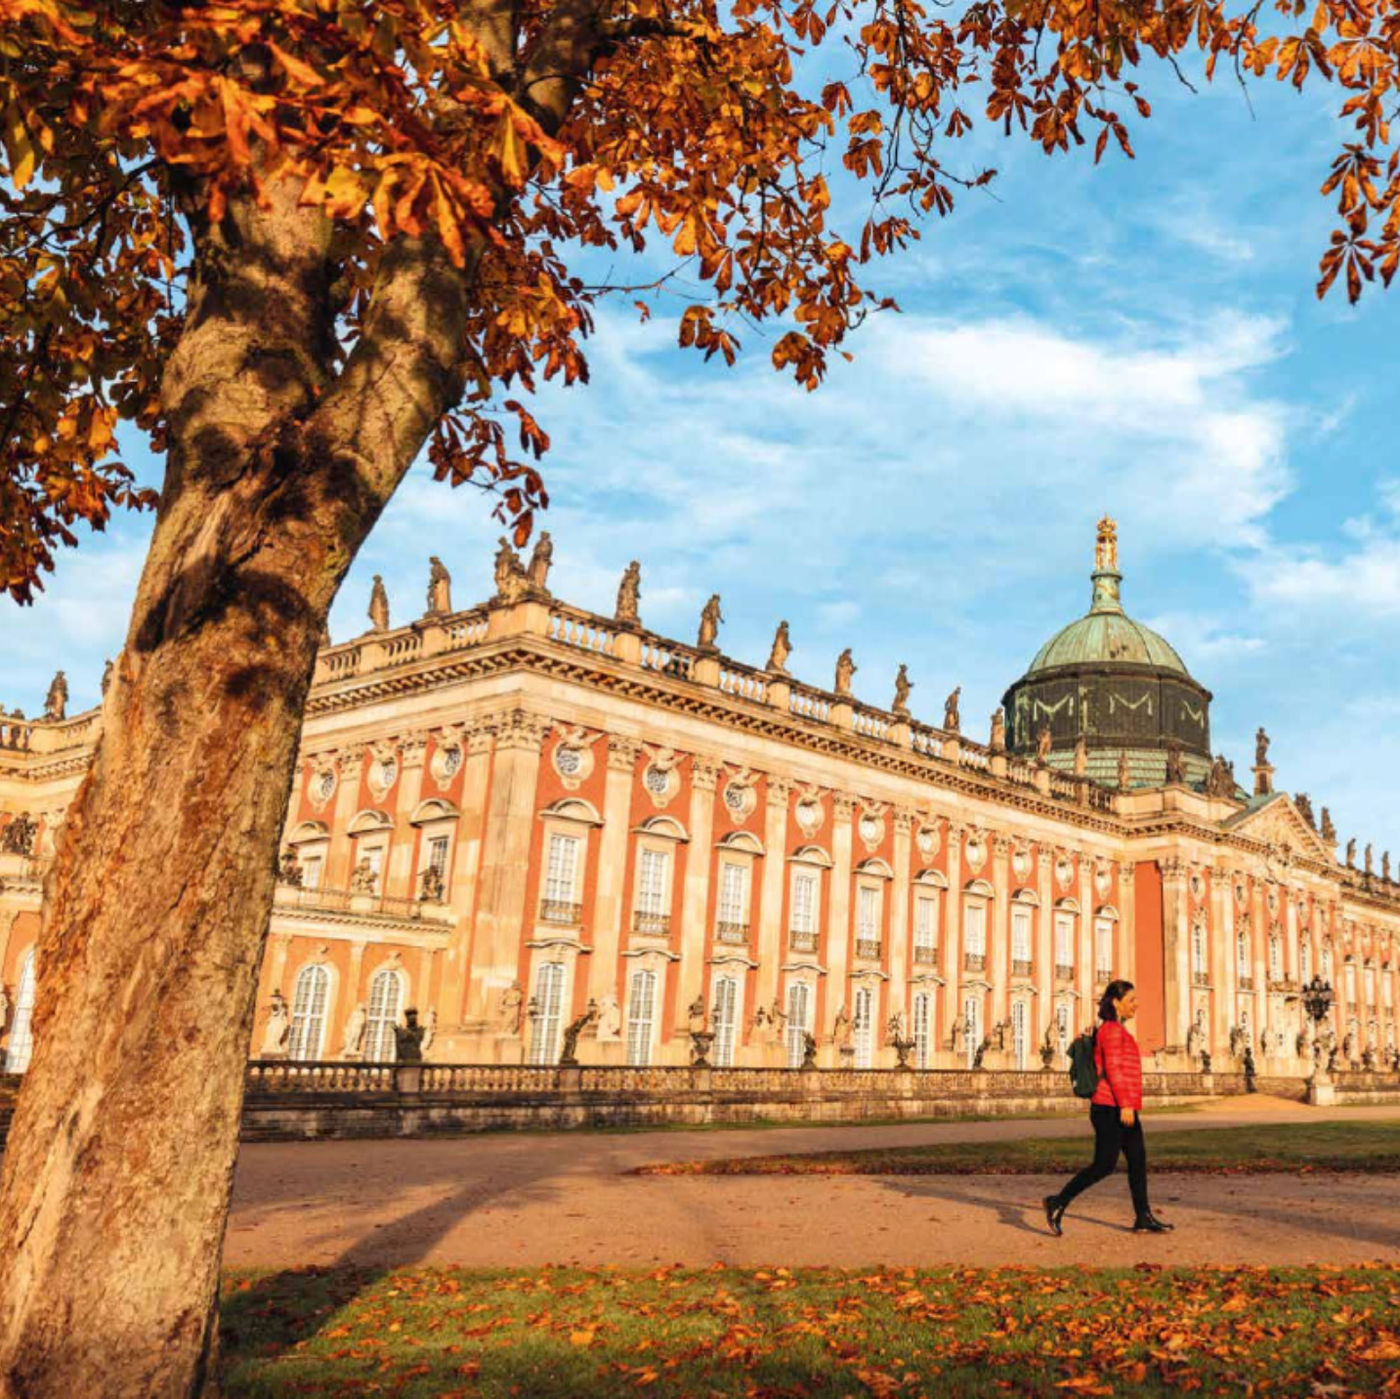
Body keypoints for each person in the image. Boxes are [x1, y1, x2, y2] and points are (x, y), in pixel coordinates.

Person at [1043, 979, 1174, 1236]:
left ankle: (1143, 1216)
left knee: (1137, 1160)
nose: (1136, 1005)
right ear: (1116, 1002)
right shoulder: (1112, 1031)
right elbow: (1114, 1070)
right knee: (1104, 1164)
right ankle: (1057, 1201)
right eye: (1131, 1001)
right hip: (1110, 1108)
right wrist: (1126, 1105)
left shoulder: (1116, 1030)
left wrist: (1128, 1105)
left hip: (1122, 1107)